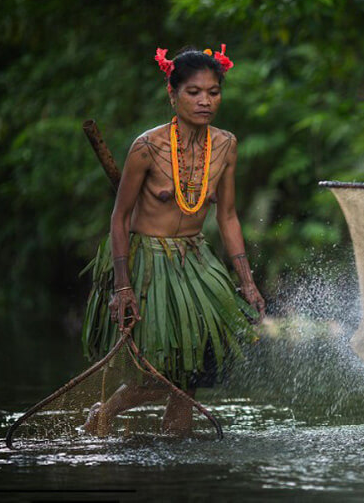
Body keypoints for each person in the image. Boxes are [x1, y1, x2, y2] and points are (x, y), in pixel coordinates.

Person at [80, 45, 266, 436]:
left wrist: (247, 281)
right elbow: (120, 217)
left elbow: (228, 215)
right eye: (193, 92)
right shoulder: (147, 147)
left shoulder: (227, 146)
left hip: (196, 263)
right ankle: (103, 415)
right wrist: (123, 285)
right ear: (173, 94)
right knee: (156, 373)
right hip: (148, 263)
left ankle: (176, 453)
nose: (204, 101)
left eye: (213, 92)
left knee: (193, 370)